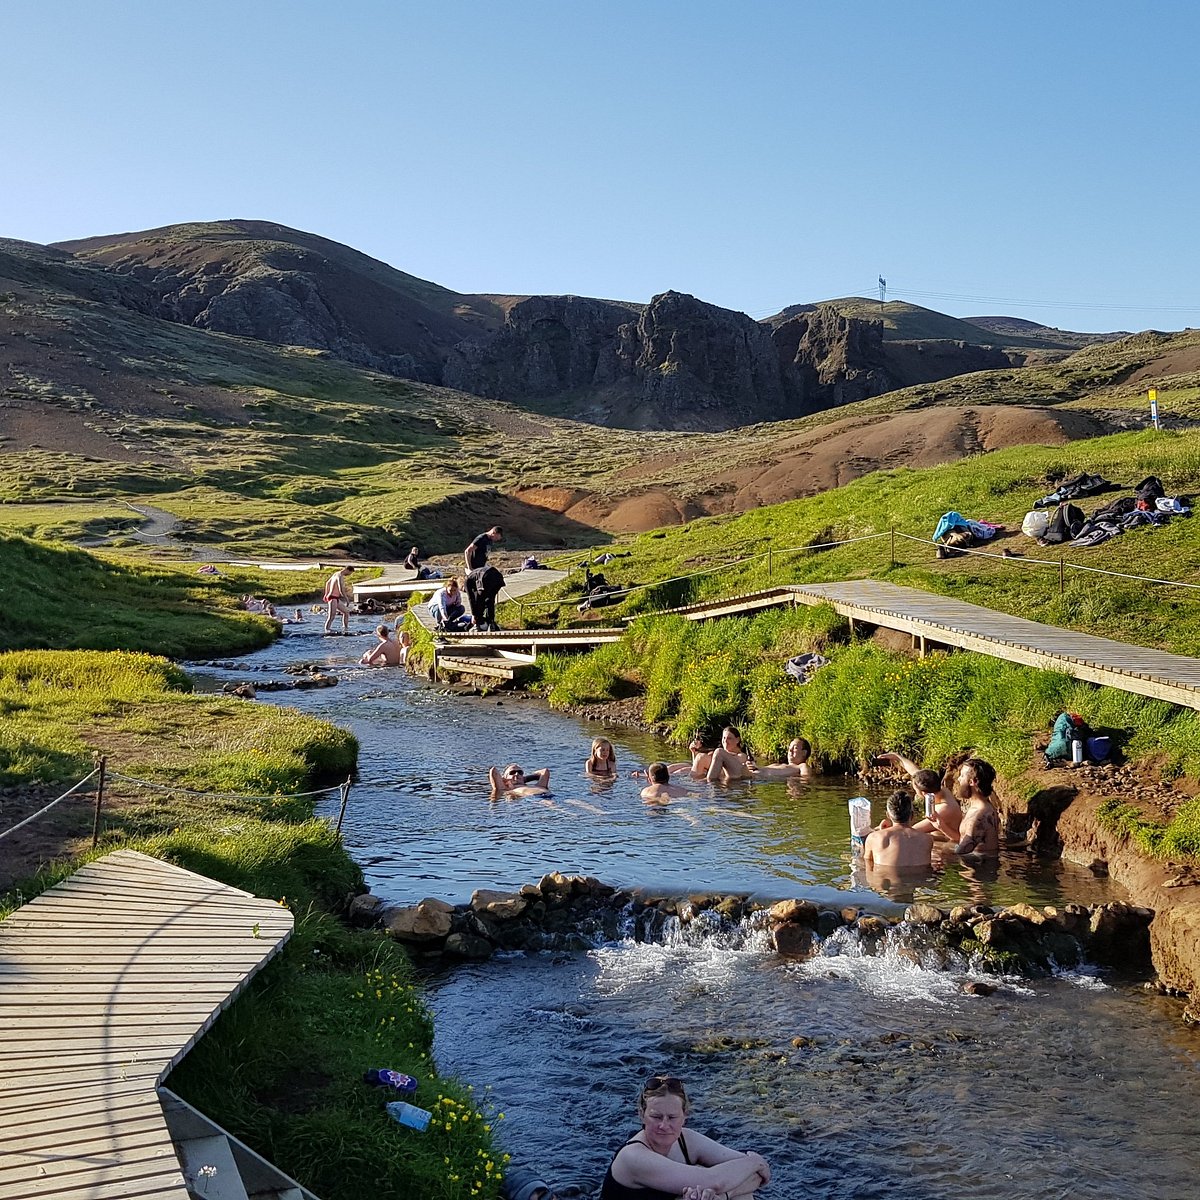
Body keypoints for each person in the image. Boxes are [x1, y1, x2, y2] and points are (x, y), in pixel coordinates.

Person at [600, 1074, 770, 1200]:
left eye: (672, 1118)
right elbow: (714, 1181)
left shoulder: (685, 1140)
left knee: (741, 1194)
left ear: (684, 1116)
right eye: (656, 1117)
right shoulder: (632, 1156)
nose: (664, 1125)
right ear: (641, 1114)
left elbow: (757, 1175)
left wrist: (723, 1195)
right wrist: (755, 1161)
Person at [863, 790, 934, 869]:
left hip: (886, 879)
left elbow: (868, 865)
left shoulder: (874, 838)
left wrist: (881, 831)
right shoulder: (927, 839)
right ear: (912, 815)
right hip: (920, 880)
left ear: (888, 815)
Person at [948, 757, 1001, 857]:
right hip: (979, 866)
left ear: (973, 782)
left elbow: (962, 851)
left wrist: (937, 848)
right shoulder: (983, 806)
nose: (959, 779)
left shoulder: (978, 816)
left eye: (962, 776)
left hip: (978, 869)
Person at [466, 564, 505, 632]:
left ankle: (477, 625)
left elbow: (471, 599)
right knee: (490, 600)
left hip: (485, 576)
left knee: (479, 601)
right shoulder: (473, 578)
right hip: (498, 577)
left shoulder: (467, 582)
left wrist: (474, 615)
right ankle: (491, 623)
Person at [323, 565, 355, 635]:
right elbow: (341, 589)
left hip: (335, 597)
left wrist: (326, 593)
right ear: (348, 570)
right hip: (332, 597)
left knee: (346, 612)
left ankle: (345, 628)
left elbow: (327, 583)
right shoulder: (339, 576)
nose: (349, 575)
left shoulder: (335, 574)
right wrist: (346, 598)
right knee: (332, 616)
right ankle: (326, 630)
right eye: (350, 573)